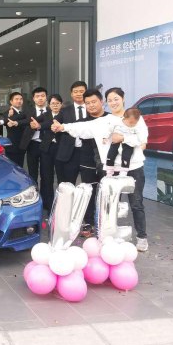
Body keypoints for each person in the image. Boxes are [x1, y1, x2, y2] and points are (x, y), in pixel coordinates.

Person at [52, 87, 150, 252]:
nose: (113, 102)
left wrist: (123, 138)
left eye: (116, 99)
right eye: (110, 100)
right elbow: (82, 127)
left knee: (136, 203)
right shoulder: (104, 121)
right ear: (106, 102)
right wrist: (62, 127)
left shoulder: (136, 118)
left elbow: (143, 141)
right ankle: (110, 238)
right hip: (112, 171)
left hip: (134, 168)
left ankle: (142, 237)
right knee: (111, 207)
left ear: (123, 98)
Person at [52, 89, 108, 237]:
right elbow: (71, 128)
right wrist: (60, 127)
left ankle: (106, 223)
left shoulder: (111, 119)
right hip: (87, 160)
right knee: (88, 191)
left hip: (107, 163)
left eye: (94, 102)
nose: (91, 105)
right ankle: (89, 222)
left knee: (106, 193)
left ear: (101, 101)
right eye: (87, 103)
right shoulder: (82, 121)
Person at [53, 81, 88, 183]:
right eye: (75, 92)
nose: (78, 94)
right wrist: (53, 126)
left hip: (88, 152)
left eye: (81, 91)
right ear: (71, 94)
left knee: (89, 185)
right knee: (68, 184)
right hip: (70, 153)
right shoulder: (65, 110)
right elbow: (55, 123)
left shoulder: (92, 109)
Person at [36, 94, 64, 208]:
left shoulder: (64, 114)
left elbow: (47, 124)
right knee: (47, 177)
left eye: (57, 103)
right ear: (49, 105)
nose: (55, 105)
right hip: (47, 149)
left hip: (61, 148)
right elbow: (32, 120)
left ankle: (61, 204)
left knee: (61, 176)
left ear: (61, 104)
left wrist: (41, 126)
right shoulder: (45, 115)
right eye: (53, 103)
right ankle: (48, 204)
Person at [19, 87, 49, 184]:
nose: (40, 98)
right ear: (33, 98)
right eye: (37, 96)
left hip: (47, 144)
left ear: (46, 97)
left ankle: (46, 193)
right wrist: (6, 118)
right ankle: (34, 191)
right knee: (32, 172)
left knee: (46, 173)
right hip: (32, 145)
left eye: (42, 96)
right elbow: (18, 119)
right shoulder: (28, 111)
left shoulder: (51, 111)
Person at [0, 91, 28, 167]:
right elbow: (7, 121)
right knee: (13, 167)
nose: (19, 101)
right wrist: (7, 117)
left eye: (21, 99)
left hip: (22, 146)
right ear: (11, 101)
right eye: (16, 99)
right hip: (13, 146)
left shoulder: (23, 113)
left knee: (20, 167)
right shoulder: (7, 113)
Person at [105, 107, 142, 176]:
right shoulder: (117, 122)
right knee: (110, 155)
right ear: (125, 118)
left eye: (134, 123)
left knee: (126, 157)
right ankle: (109, 171)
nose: (132, 125)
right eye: (131, 122)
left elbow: (139, 139)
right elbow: (109, 130)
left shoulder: (136, 127)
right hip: (115, 143)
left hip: (128, 144)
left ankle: (124, 172)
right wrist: (105, 137)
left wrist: (125, 138)